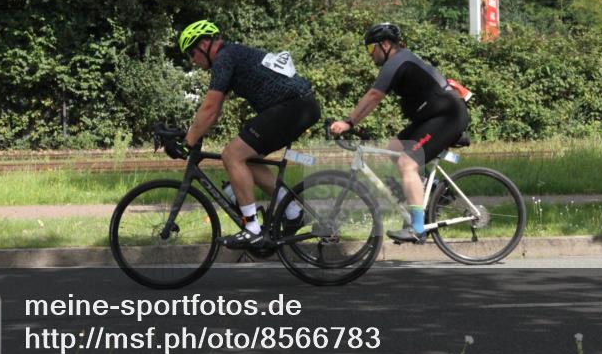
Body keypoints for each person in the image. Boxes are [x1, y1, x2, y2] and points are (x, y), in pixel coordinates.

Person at [178, 20, 321, 248]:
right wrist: (192, 132)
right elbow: (213, 112)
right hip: (300, 106)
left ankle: (252, 228)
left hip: (291, 106)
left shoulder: (224, 58)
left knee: (232, 155)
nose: (192, 60)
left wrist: (188, 142)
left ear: (205, 44)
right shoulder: (232, 55)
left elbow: (210, 108)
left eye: (192, 53)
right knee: (246, 160)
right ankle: (293, 212)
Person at [329, 22, 469, 242]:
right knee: (393, 148)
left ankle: (417, 228)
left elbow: (374, 96)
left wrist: (349, 122)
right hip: (432, 116)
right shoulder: (399, 60)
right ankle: (434, 194)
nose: (369, 54)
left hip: (447, 116)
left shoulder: (397, 61)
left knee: (407, 163)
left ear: (385, 45)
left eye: (370, 48)